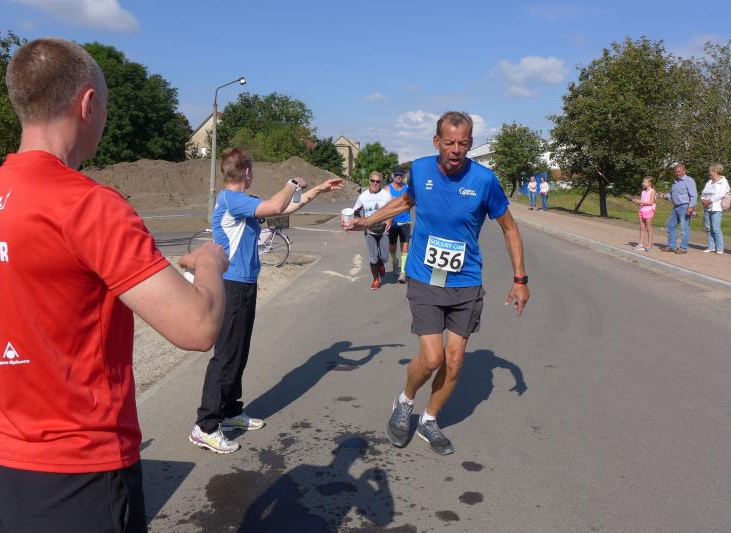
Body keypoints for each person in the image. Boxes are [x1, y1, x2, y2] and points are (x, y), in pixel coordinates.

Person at [0, 38, 228, 532]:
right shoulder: (87, 203)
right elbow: (198, 327)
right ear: (88, 103)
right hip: (80, 476)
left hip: (3, 466)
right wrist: (208, 263)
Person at [343, 111, 529, 455]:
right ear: (436, 141)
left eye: (463, 143)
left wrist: (520, 279)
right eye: (449, 142)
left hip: (466, 280)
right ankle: (405, 401)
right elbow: (405, 201)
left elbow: (510, 228)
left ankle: (429, 419)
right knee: (432, 359)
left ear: (470, 144)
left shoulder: (484, 180)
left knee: (454, 360)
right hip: (425, 276)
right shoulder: (421, 169)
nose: (456, 150)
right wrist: (366, 221)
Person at [190, 147, 343, 454]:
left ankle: (230, 411)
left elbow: (282, 209)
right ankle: (205, 426)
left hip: (244, 283)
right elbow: (275, 204)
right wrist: (294, 181)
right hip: (232, 284)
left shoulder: (243, 201)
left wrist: (316, 190)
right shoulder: (231, 199)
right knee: (227, 354)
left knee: (239, 352)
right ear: (247, 172)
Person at [352, 171, 392, 290]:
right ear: (369, 181)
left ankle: (381, 264)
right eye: (373, 181)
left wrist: (389, 220)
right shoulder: (363, 196)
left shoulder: (386, 195)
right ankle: (376, 280)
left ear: (381, 182)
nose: (375, 183)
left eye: (378, 181)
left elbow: (392, 210)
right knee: (373, 257)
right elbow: (355, 211)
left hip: (384, 230)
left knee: (384, 257)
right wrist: (362, 222)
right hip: (369, 231)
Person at [664, 163, 697, 254]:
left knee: (684, 228)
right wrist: (664, 195)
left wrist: (691, 206)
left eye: (679, 171)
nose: (677, 173)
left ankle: (683, 248)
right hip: (675, 207)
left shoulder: (689, 180)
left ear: (684, 171)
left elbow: (693, 195)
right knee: (670, 225)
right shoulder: (675, 182)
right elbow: (671, 195)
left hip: (685, 207)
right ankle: (672, 246)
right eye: (676, 172)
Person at [387, 165, 412, 284]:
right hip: (391, 222)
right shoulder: (387, 189)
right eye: (396, 175)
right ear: (393, 176)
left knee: (405, 247)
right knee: (392, 246)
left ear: (403, 176)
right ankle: (394, 261)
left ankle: (402, 272)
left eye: (400, 175)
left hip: (405, 221)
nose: (398, 177)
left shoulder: (407, 188)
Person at [700, 163, 730, 255]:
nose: (710, 172)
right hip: (707, 207)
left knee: (716, 228)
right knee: (709, 228)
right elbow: (703, 193)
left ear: (715, 171)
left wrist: (710, 201)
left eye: (711, 170)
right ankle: (711, 247)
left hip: (717, 207)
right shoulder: (709, 182)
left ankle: (720, 248)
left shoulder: (723, 181)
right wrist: (703, 200)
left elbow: (720, 194)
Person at [632, 176, 657, 252]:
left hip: (649, 211)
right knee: (642, 228)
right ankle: (640, 244)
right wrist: (637, 202)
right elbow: (642, 203)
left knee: (649, 228)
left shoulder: (653, 191)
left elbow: (651, 202)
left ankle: (649, 245)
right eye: (643, 182)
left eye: (644, 182)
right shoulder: (643, 192)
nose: (642, 183)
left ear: (649, 183)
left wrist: (640, 202)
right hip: (642, 211)